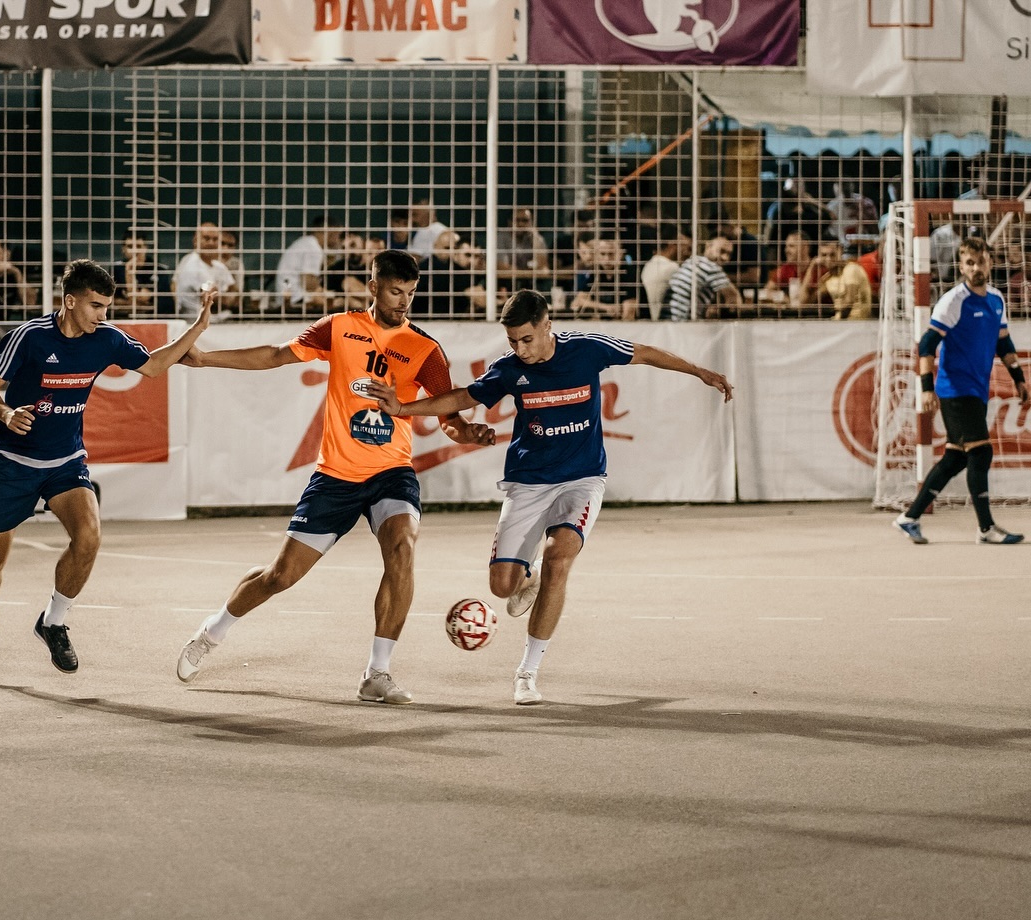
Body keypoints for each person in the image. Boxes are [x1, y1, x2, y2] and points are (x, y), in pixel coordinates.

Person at [365, 288, 733, 705]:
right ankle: (528, 576)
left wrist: (699, 371)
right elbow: (463, 397)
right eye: (512, 341)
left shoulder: (587, 350)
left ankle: (527, 673)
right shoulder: (509, 368)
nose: (520, 349)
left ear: (547, 326)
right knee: (502, 587)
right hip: (528, 482)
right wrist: (403, 409)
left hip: (582, 479)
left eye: (527, 339)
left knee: (559, 560)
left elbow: (645, 353)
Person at [174, 248, 496, 704]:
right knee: (280, 576)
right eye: (395, 292)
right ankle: (212, 632)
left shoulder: (425, 349)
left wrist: (468, 433)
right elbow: (274, 355)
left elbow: (448, 416)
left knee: (402, 549)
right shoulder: (340, 328)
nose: (404, 301)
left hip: (391, 472)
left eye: (410, 293)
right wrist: (206, 359)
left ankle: (377, 673)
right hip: (337, 475)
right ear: (373, 287)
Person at [0, 261, 219, 682]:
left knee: (89, 538)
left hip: (65, 461)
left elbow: (154, 365)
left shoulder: (106, 339)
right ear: (70, 301)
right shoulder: (29, 337)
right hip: (14, 463)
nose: (103, 315)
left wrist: (198, 327)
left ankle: (53, 622)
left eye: (106, 307)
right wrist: (6, 412)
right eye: (95, 306)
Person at [894, 237, 1029, 546]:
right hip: (955, 388)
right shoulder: (954, 301)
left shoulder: (996, 299)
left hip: (977, 389)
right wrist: (926, 388)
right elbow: (927, 344)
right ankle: (986, 528)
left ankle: (909, 518)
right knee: (981, 452)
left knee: (955, 458)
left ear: (990, 262)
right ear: (961, 266)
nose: (976, 268)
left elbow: (1003, 342)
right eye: (970, 263)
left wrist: (1019, 379)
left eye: (981, 262)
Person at [275, 215, 345, 313]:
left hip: (288, 297)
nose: (339, 240)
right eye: (338, 235)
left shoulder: (306, 242)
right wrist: (328, 295)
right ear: (330, 233)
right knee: (340, 303)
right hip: (295, 299)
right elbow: (308, 284)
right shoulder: (313, 248)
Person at [666, 234, 742, 320]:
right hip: (682, 322)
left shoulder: (692, 261)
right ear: (708, 246)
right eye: (722, 251)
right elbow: (734, 300)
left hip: (668, 319)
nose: (725, 258)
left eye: (729, 254)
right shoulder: (710, 267)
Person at [173, 221, 235, 319]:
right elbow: (212, 300)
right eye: (206, 238)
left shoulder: (218, 266)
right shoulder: (192, 263)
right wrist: (227, 298)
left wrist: (228, 297)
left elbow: (235, 290)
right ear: (195, 241)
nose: (211, 243)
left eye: (215, 239)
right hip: (195, 321)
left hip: (216, 319)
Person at [112, 227, 174, 318]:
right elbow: (110, 302)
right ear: (123, 249)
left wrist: (129, 272)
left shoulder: (159, 270)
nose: (135, 251)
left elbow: (139, 299)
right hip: (124, 320)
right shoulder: (116, 269)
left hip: (156, 320)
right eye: (130, 246)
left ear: (145, 248)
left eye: (139, 246)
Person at [803, 239, 873, 319]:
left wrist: (836, 321)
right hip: (841, 321)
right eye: (824, 255)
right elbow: (806, 303)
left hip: (857, 322)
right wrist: (811, 267)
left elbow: (849, 302)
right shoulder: (828, 277)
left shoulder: (851, 268)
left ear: (840, 252)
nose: (828, 259)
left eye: (832, 255)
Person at [642, 223, 689, 320]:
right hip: (661, 320)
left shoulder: (649, 264)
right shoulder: (671, 267)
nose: (684, 249)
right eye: (681, 243)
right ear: (672, 243)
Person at [496, 207, 552, 283]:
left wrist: (535, 239)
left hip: (529, 282)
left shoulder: (536, 237)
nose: (521, 224)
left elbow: (544, 270)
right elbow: (503, 269)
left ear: (531, 223)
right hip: (506, 282)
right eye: (517, 220)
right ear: (509, 222)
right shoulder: (501, 237)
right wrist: (530, 273)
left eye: (525, 220)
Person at [407, 197, 448, 262]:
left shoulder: (427, 231)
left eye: (415, 215)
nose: (412, 219)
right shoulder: (442, 228)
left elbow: (413, 260)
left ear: (428, 214)